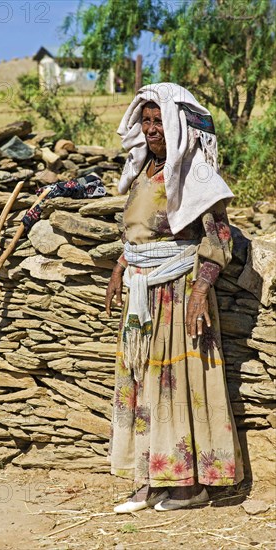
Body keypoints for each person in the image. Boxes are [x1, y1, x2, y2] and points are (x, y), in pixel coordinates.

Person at [106, 83, 244, 513]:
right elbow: (137, 231)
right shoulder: (144, 170)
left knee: (178, 386)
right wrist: (120, 267)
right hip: (143, 293)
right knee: (144, 384)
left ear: (177, 126)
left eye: (158, 121)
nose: (151, 130)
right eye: (145, 121)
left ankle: (188, 486)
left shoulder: (192, 174)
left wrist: (202, 290)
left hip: (177, 291)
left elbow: (218, 236)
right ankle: (150, 479)